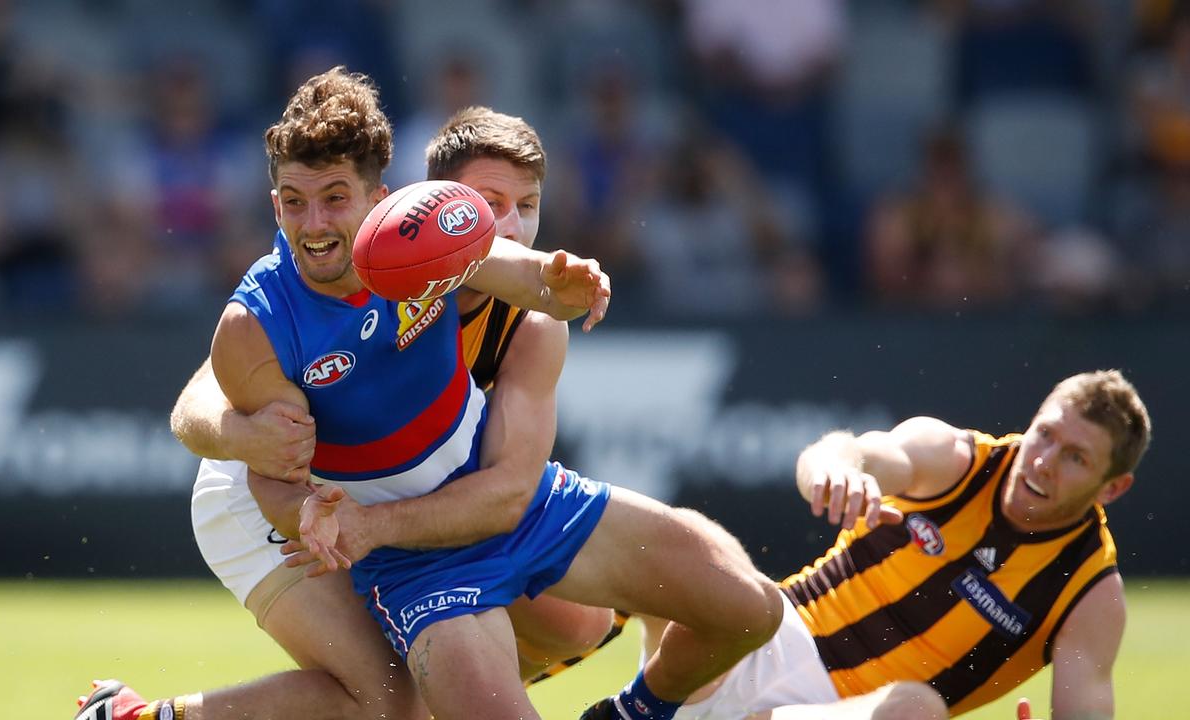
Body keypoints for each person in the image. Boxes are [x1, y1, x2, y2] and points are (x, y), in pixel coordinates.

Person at [75, 73, 613, 720]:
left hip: (376, 500)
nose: (505, 225)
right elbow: (201, 399)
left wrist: (572, 279)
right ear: (433, 202)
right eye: (484, 204)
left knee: (581, 621)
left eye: (524, 206)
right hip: (276, 498)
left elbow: (540, 286)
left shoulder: (479, 278)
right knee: (390, 704)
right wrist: (241, 437)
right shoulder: (321, 285)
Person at [623, 369, 1148, 720]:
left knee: (916, 709)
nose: (1043, 461)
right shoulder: (955, 460)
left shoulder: (1090, 591)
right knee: (683, 536)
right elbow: (849, 452)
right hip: (751, 640)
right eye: (1045, 434)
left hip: (843, 713)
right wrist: (834, 470)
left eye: (1075, 457)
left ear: (1112, 487)